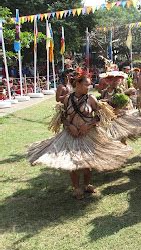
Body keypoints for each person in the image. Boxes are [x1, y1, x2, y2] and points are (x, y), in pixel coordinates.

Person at [27, 70, 132, 199]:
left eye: (89, 85)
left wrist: (89, 124)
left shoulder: (91, 99)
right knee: (73, 162)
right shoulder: (67, 99)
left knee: (87, 162)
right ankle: (76, 188)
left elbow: (101, 116)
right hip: (71, 134)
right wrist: (69, 125)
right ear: (78, 84)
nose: (89, 87)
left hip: (88, 134)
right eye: (86, 85)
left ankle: (87, 184)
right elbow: (62, 117)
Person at [100, 71, 141, 144]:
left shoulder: (119, 90)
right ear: (108, 81)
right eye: (112, 80)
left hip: (118, 116)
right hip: (109, 117)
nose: (114, 82)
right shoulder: (104, 92)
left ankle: (124, 147)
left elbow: (121, 101)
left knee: (121, 137)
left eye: (116, 80)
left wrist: (108, 101)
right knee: (114, 137)